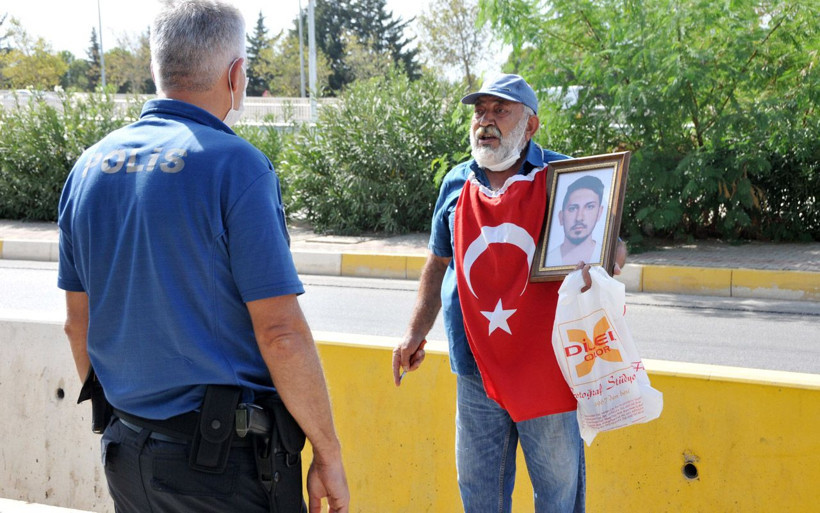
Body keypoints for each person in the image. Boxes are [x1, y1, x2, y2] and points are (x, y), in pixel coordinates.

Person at [57, 2, 349, 512]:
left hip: (127, 453)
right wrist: (329, 453)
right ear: (235, 76)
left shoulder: (87, 169)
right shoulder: (238, 166)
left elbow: (75, 325)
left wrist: (119, 421)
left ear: (159, 69)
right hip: (222, 469)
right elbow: (280, 333)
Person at [392, 74, 625, 513]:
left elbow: (609, 247)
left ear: (531, 125)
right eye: (480, 111)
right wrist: (413, 333)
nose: (487, 121)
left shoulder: (565, 178)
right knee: (480, 497)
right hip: (475, 369)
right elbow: (438, 265)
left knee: (558, 498)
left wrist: (609, 249)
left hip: (547, 370)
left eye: (501, 111)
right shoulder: (457, 184)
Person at [545, 175, 606, 267]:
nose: (579, 218)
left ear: (599, 213)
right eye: (572, 208)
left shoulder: (606, 256)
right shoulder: (547, 261)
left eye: (590, 207)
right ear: (561, 217)